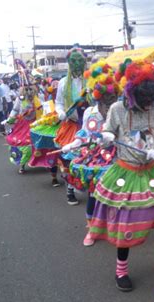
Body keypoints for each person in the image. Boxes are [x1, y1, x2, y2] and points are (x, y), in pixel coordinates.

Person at [87, 61, 154, 291]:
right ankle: (121, 270)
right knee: (125, 219)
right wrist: (107, 135)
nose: (148, 104)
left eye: (151, 99)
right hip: (126, 171)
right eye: (144, 100)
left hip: (152, 171)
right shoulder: (117, 110)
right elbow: (107, 130)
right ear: (132, 93)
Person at [61, 59, 120, 246]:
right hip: (95, 157)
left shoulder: (120, 111)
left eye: (112, 101)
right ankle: (92, 230)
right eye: (105, 102)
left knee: (117, 192)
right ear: (97, 98)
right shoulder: (89, 113)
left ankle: (116, 225)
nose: (109, 106)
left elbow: (129, 135)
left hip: (118, 157)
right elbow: (85, 134)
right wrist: (73, 144)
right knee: (94, 194)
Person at [55, 45, 89, 205]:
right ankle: (70, 190)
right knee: (71, 159)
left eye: (80, 60)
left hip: (91, 125)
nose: (77, 63)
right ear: (69, 62)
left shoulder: (91, 80)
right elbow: (59, 103)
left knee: (94, 157)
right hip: (72, 125)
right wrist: (60, 112)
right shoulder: (63, 82)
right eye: (73, 60)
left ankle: (93, 188)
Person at [3, 74, 43, 174]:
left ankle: (41, 161)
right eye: (26, 89)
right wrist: (10, 118)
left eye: (30, 89)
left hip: (36, 123)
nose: (28, 91)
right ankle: (22, 164)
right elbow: (15, 109)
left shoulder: (38, 97)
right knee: (23, 143)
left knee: (40, 143)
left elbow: (44, 108)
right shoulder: (19, 99)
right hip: (23, 124)